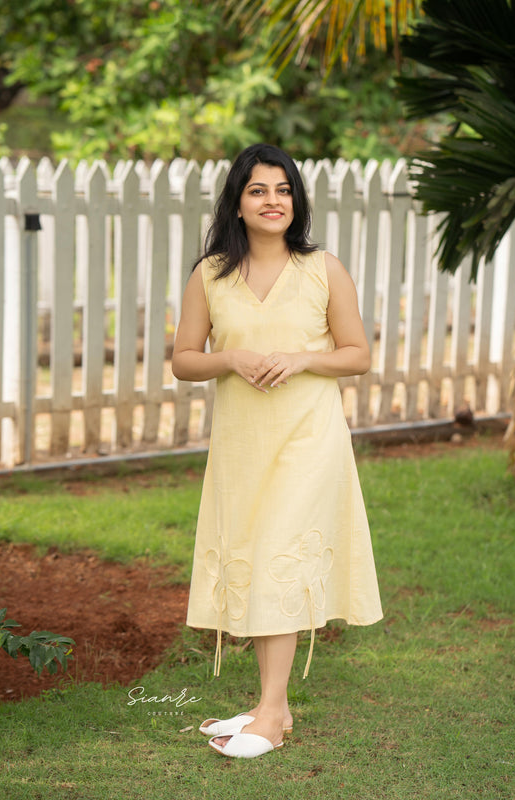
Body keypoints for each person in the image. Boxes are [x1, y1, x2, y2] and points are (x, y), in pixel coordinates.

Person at [172, 143, 383, 759]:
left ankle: (268, 711)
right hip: (242, 445)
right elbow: (185, 360)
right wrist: (229, 358)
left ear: (298, 200)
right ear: (237, 203)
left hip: (308, 438)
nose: (272, 201)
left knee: (277, 556)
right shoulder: (209, 274)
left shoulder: (324, 269)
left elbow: (358, 354)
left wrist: (301, 358)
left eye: (283, 189)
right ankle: (276, 707)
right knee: (257, 558)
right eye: (258, 190)